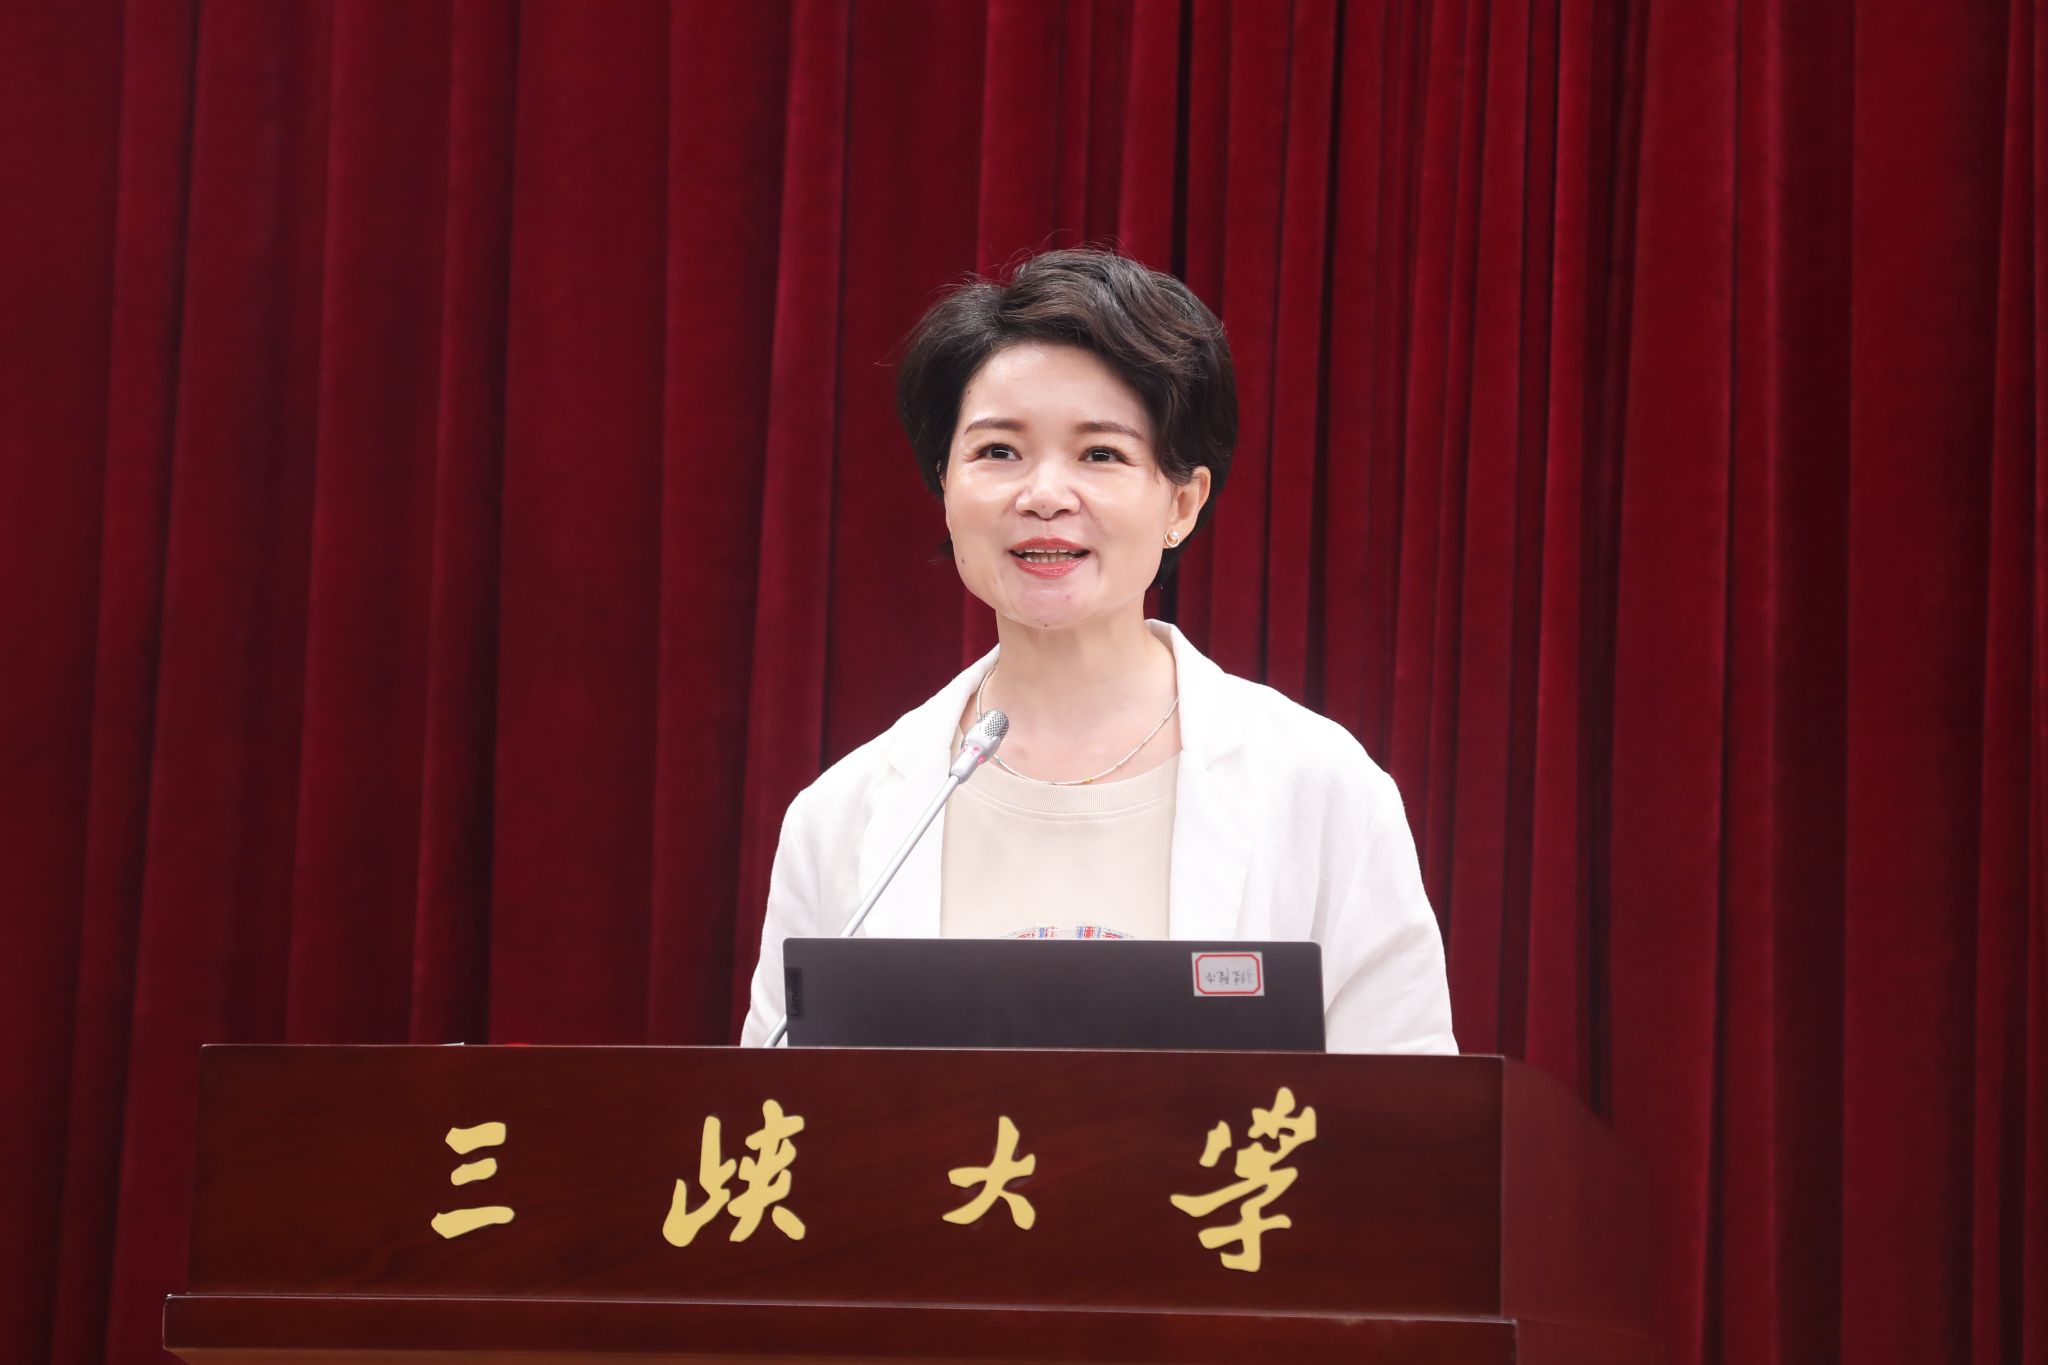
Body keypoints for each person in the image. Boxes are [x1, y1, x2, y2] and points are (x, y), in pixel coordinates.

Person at [739, 248, 1455, 1054]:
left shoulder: (1322, 789)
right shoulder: (844, 814)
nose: (1044, 495)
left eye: (1101, 454)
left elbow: (1409, 1111)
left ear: (1182, 503)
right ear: (945, 486)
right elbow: (774, 1113)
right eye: (998, 451)